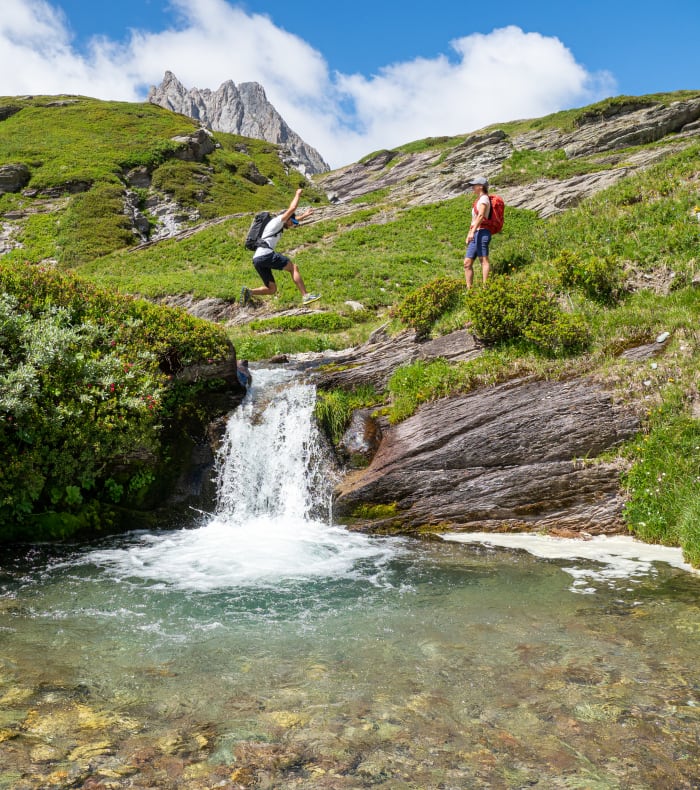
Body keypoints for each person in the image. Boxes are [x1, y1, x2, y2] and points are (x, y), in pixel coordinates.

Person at [240, 188, 320, 306]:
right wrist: (297, 194)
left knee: (272, 289)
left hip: (257, 259)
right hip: (266, 254)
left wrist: (304, 215)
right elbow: (292, 209)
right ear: (286, 218)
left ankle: (249, 292)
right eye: (292, 222)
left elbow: (293, 218)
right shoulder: (278, 221)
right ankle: (306, 296)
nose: (293, 224)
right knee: (294, 268)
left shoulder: (278, 224)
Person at [464, 176, 492, 289]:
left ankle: (486, 287)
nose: (473, 187)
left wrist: (472, 232)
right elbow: (474, 220)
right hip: (476, 233)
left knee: (483, 260)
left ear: (481, 186)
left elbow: (480, 216)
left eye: (474, 185)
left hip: (482, 232)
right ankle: (469, 289)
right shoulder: (479, 200)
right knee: (467, 263)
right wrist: (469, 234)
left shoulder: (484, 199)